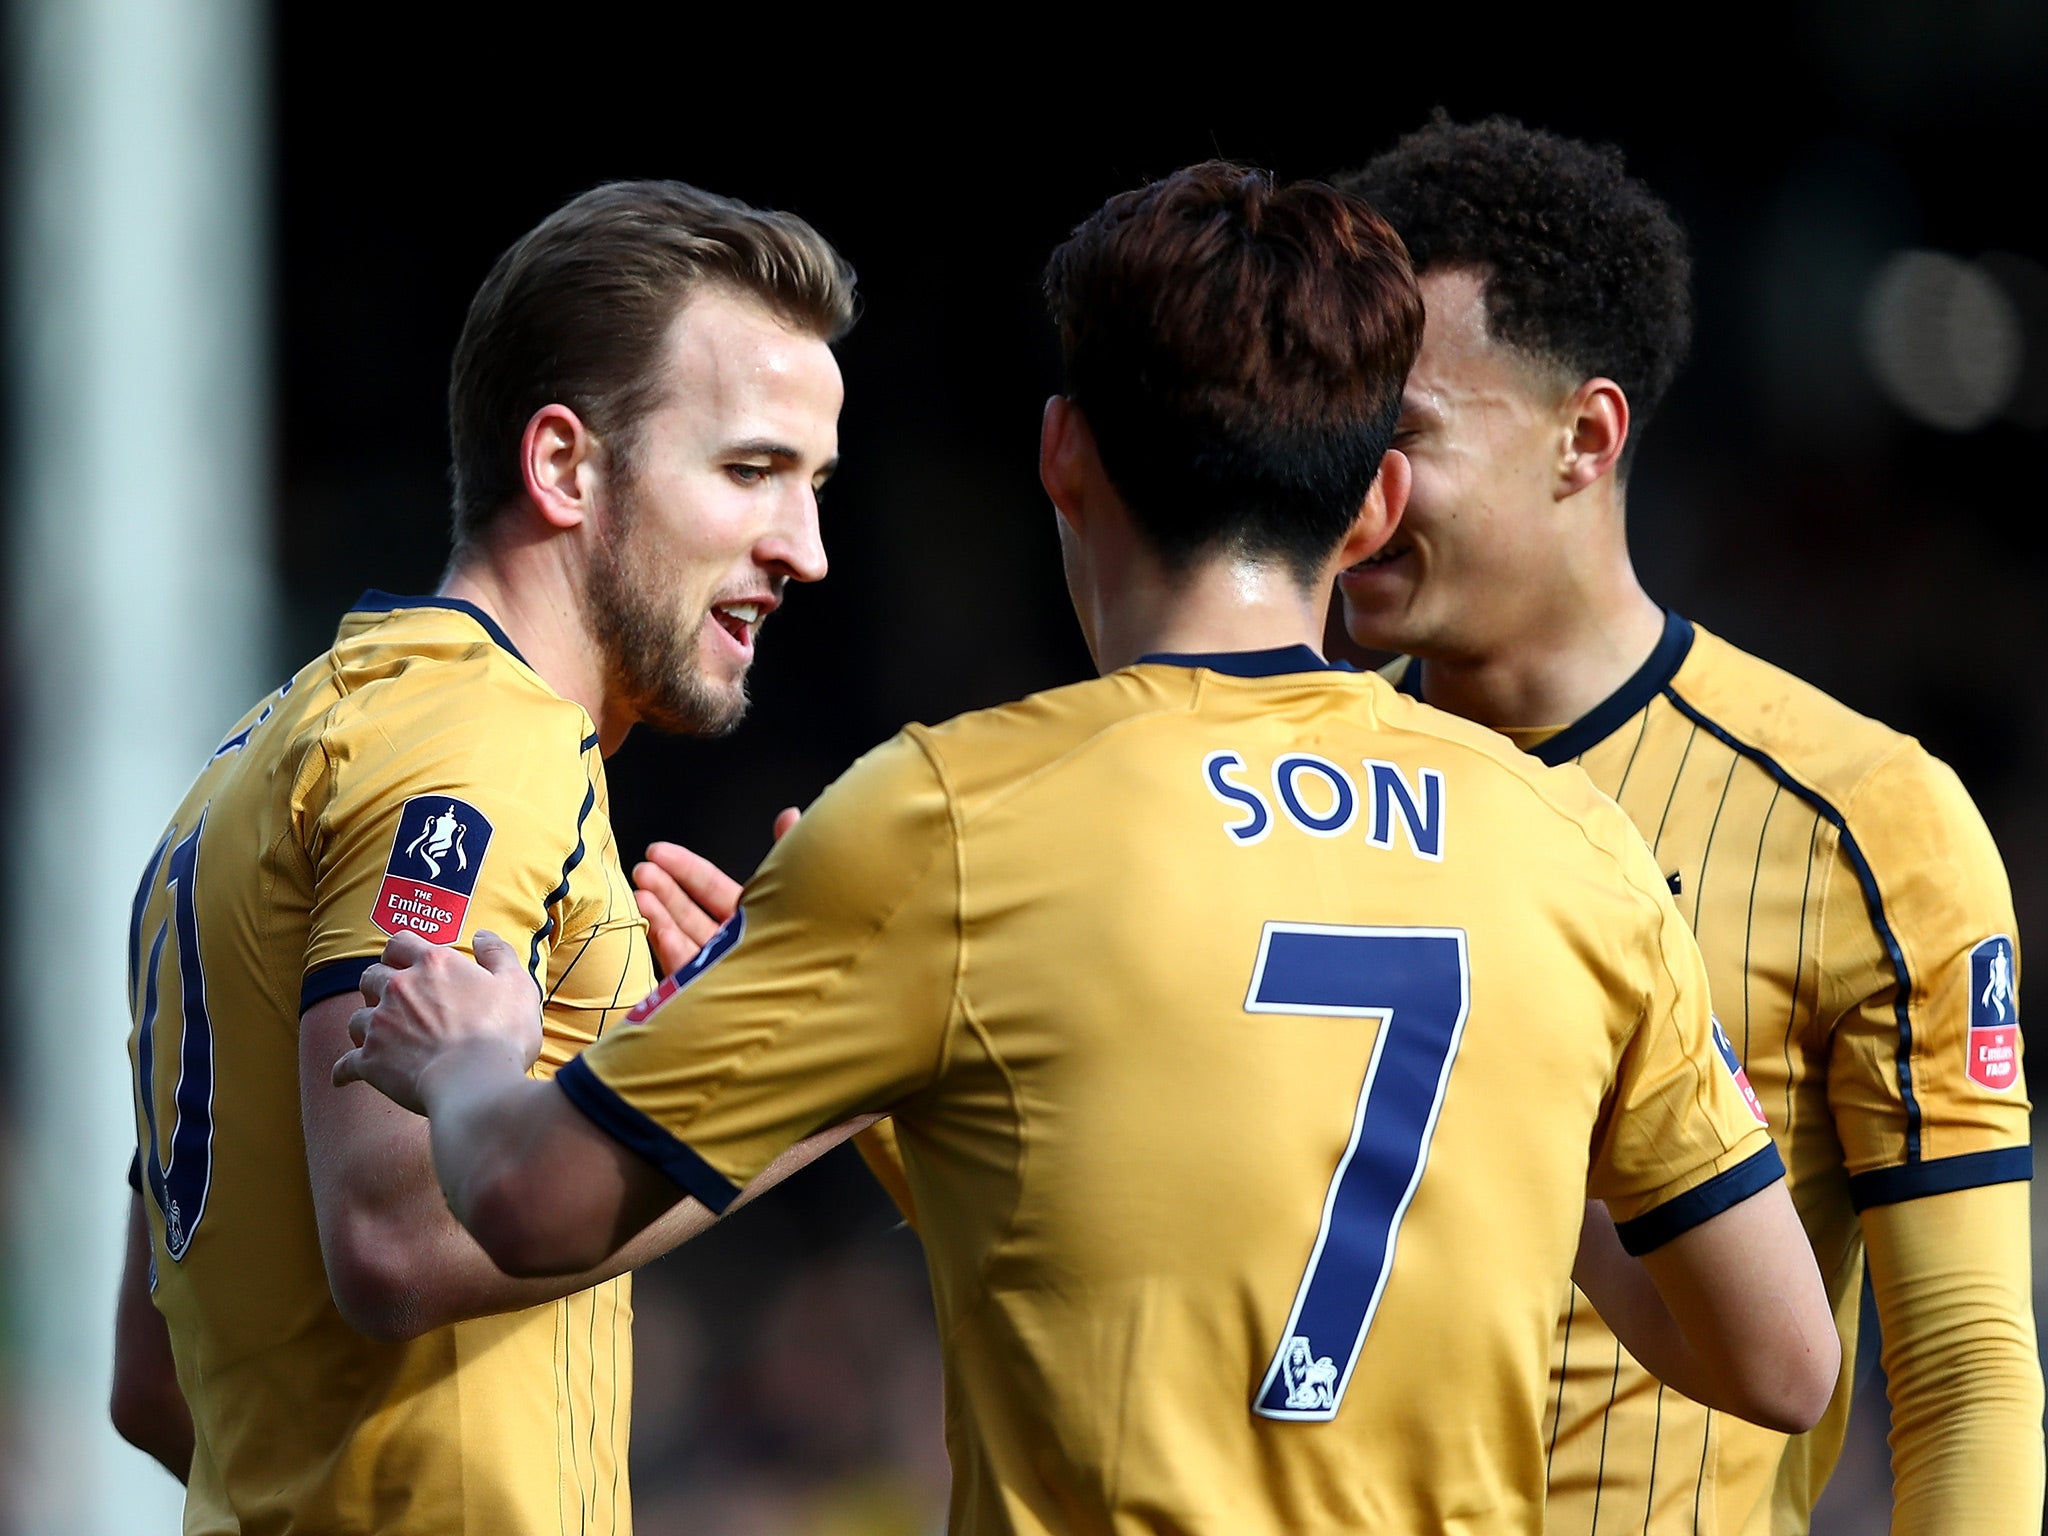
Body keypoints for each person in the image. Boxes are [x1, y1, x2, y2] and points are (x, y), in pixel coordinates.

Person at [333, 161, 1839, 1536]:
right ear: (1374, 504)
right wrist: (1476, 1132)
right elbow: (1779, 1358)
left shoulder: (946, 825)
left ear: (1063, 456)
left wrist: (473, 1059)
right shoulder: (1573, 843)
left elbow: (529, 1204)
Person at [1332, 116, 2042, 1536]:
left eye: (1401, 437)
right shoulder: (1269, 790)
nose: (1353, 496)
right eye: (1330, 435)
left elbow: (1964, 1371)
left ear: (1585, 438)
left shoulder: (1866, 822)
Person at [114, 179, 857, 1533]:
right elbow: (395, 1238)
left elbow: (156, 1385)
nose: (802, 548)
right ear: (566, 467)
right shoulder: (476, 744)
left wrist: (691, 1036)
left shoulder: (261, 756)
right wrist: (831, 1064)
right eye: (751, 470)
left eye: (813, 486)